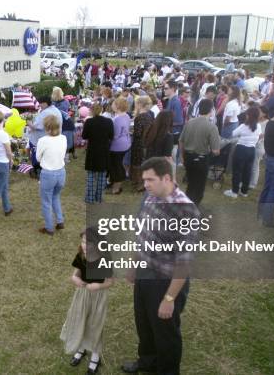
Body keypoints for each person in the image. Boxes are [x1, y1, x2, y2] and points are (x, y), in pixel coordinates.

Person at [121, 157, 199, 375]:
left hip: (166, 282)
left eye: (150, 180)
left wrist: (169, 298)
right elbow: (142, 235)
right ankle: (147, 362)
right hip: (145, 273)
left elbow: (185, 263)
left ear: (167, 178)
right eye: (144, 180)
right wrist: (133, 265)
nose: (145, 184)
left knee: (166, 333)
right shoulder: (150, 197)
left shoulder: (185, 210)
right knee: (144, 323)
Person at [60, 228, 114, 374]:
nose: (85, 245)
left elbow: (110, 282)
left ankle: (95, 356)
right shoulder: (81, 255)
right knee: (80, 320)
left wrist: (99, 285)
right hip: (82, 295)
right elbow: (75, 275)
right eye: (83, 241)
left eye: (89, 243)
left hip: (98, 297)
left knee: (94, 325)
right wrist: (75, 279)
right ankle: (81, 348)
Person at [178, 99, 221, 205]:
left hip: (188, 157)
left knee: (191, 184)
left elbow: (181, 141)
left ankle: (186, 206)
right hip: (201, 159)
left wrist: (181, 157)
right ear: (211, 110)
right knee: (199, 187)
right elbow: (216, 151)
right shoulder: (212, 127)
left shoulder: (189, 122)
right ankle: (192, 211)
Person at [37, 115, 67, 235]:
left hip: (48, 174)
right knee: (55, 196)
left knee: (46, 201)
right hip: (61, 172)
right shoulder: (63, 138)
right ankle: (60, 221)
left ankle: (49, 227)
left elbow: (38, 158)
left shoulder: (43, 141)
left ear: (47, 128)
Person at [224, 107, 262, 198]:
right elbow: (259, 136)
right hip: (251, 150)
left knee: (237, 171)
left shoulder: (243, 126)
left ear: (249, 115)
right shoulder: (259, 126)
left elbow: (233, 133)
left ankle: (234, 191)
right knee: (247, 171)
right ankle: (244, 191)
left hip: (241, 149)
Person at [82, 103, 114, 204]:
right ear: (101, 110)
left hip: (92, 150)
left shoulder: (89, 122)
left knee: (91, 175)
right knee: (101, 176)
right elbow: (111, 136)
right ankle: (99, 198)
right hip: (104, 150)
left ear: (91, 111)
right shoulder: (108, 121)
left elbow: (84, 136)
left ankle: (90, 198)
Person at [27, 96, 63, 177]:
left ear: (45, 103)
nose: (40, 105)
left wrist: (29, 123)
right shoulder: (55, 109)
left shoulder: (46, 113)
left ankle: (37, 170)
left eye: (41, 103)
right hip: (55, 136)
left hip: (41, 138)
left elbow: (36, 126)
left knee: (37, 155)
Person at [107, 97, 131, 195]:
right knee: (117, 164)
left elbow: (115, 135)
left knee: (116, 166)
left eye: (113, 103)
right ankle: (114, 182)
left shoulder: (117, 119)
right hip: (125, 143)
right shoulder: (126, 116)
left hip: (117, 146)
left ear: (117, 106)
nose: (112, 105)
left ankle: (117, 187)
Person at [130, 96, 154, 191]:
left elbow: (138, 133)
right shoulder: (149, 115)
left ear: (140, 104)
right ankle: (139, 182)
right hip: (146, 143)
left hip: (139, 143)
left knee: (137, 164)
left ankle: (140, 183)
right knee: (142, 162)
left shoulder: (139, 117)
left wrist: (131, 132)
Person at [163, 81, 184, 165]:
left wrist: (165, 124)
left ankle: (173, 176)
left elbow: (179, 121)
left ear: (172, 89)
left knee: (171, 159)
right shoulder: (171, 100)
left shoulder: (176, 102)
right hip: (170, 133)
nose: (164, 90)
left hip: (174, 134)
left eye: (166, 88)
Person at [250, 105, 269, 190]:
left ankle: (253, 183)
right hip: (251, 144)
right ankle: (248, 180)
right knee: (250, 164)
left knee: (255, 165)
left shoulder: (267, 123)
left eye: (259, 111)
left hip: (259, 146)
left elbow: (262, 135)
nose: (258, 113)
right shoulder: (256, 120)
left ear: (264, 114)